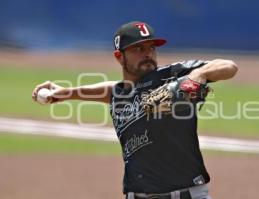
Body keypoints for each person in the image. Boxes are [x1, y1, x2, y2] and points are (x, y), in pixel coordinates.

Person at [32, 21, 238, 199]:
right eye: (138, 48)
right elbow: (113, 90)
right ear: (119, 57)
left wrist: (198, 75)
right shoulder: (119, 93)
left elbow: (228, 66)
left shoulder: (171, 75)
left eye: (151, 47)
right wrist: (66, 92)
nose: (148, 53)